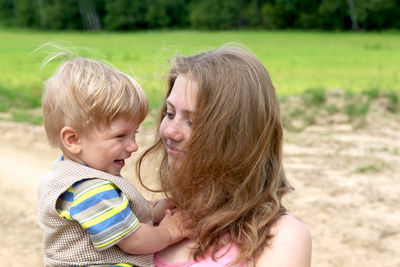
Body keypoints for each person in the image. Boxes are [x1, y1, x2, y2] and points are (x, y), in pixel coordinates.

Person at [137, 44, 312, 266]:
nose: (170, 130)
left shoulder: (280, 238)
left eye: (192, 122)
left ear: (237, 137)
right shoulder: (154, 220)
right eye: (170, 113)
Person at [37, 55, 192, 267]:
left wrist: (157, 211)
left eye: (134, 134)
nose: (133, 146)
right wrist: (169, 231)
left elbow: (121, 220)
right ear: (73, 139)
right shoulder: (88, 190)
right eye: (120, 136)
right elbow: (134, 240)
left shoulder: (72, 175)